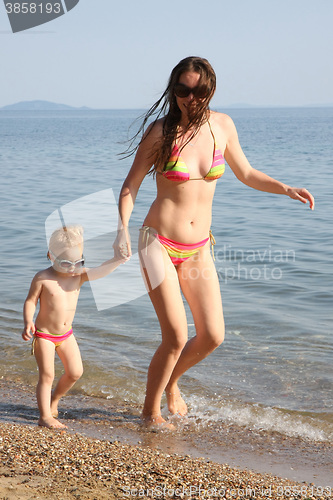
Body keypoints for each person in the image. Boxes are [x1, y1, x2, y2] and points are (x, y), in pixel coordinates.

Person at [114, 56, 315, 429]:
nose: (191, 98)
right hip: (156, 241)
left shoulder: (222, 125)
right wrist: (123, 228)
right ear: (173, 91)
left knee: (212, 336)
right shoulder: (161, 133)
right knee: (175, 335)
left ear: (211, 89)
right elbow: (131, 186)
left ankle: (172, 382)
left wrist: (285, 188)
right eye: (183, 90)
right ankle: (150, 413)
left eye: (199, 91)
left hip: (198, 247)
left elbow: (247, 172)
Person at [22, 225, 126, 429]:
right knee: (47, 375)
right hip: (44, 335)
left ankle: (53, 400)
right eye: (66, 263)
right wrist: (28, 321)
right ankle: (45, 417)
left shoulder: (79, 275)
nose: (72, 267)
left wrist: (117, 260)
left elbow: (100, 271)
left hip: (66, 334)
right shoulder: (43, 278)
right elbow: (30, 301)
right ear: (50, 256)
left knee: (75, 372)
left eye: (78, 262)